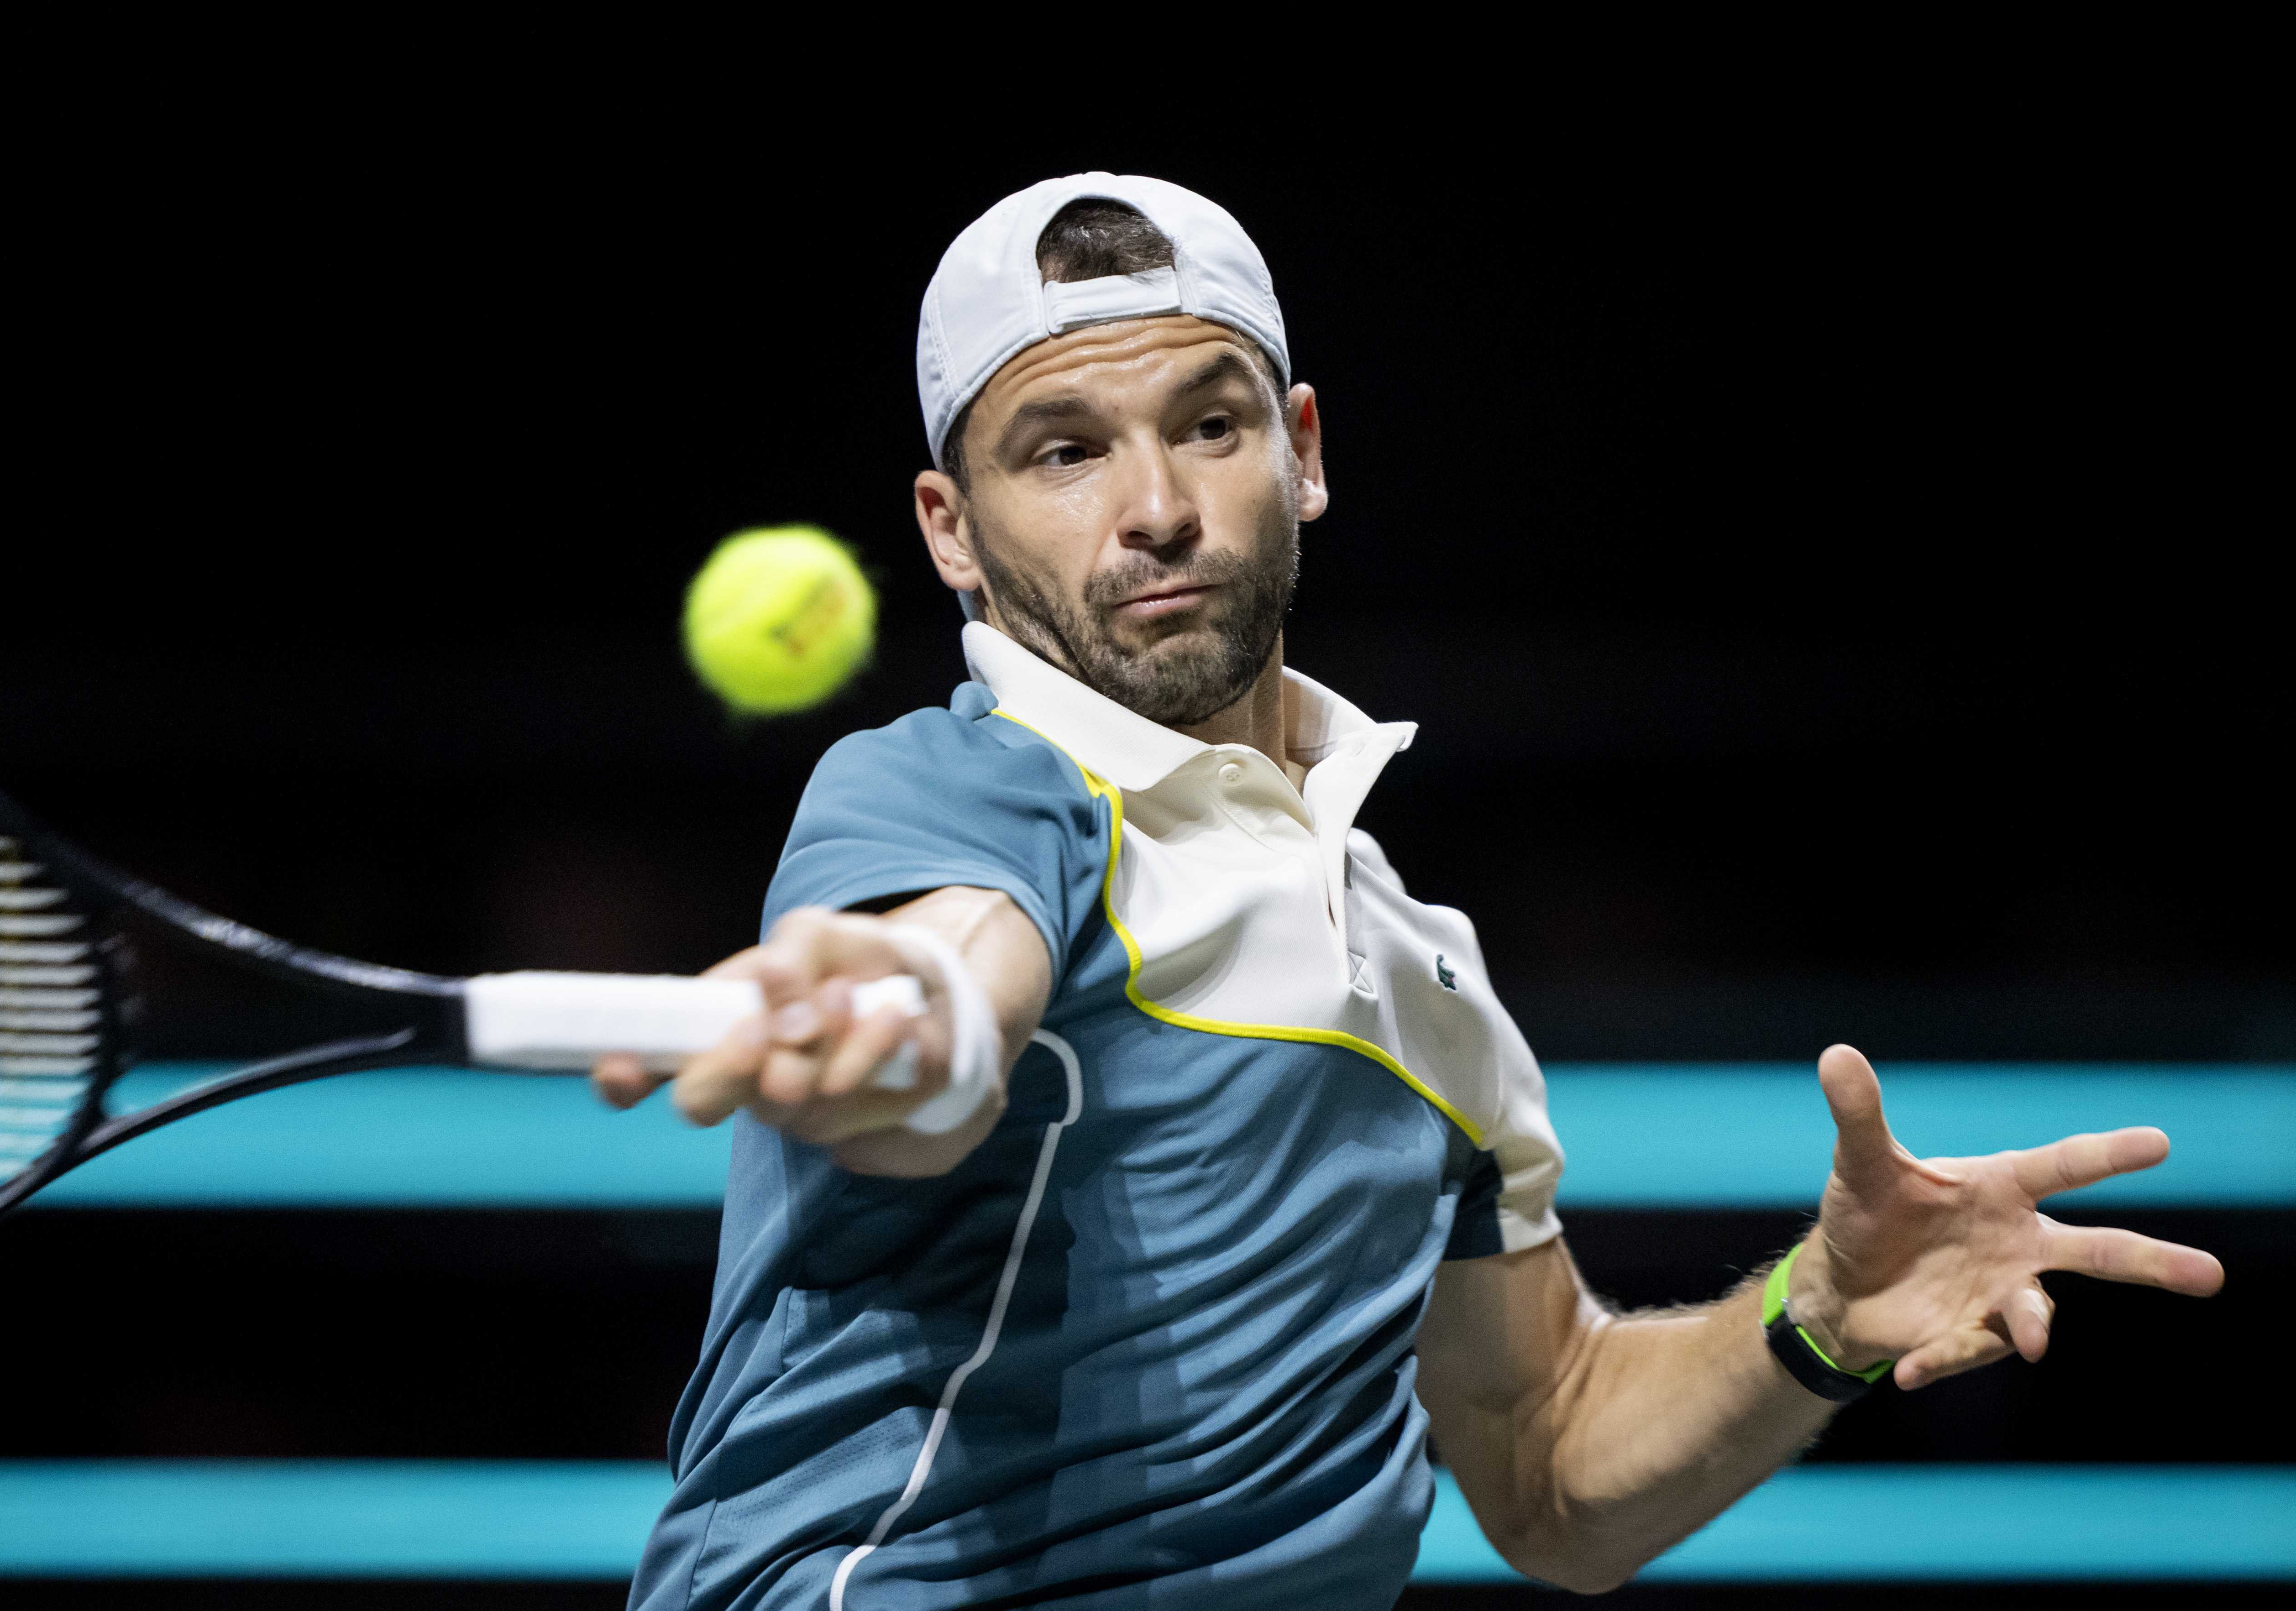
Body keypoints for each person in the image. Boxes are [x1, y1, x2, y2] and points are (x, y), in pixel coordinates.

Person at [593, 173, 2225, 1610]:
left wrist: (1823, 1313)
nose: (1155, 506)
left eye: (1210, 424)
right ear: (953, 533)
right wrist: (894, 1020)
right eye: (1066, 451)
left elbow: (1550, 1461)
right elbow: (951, 995)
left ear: (1301, 451)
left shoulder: (1422, 969)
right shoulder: (963, 783)